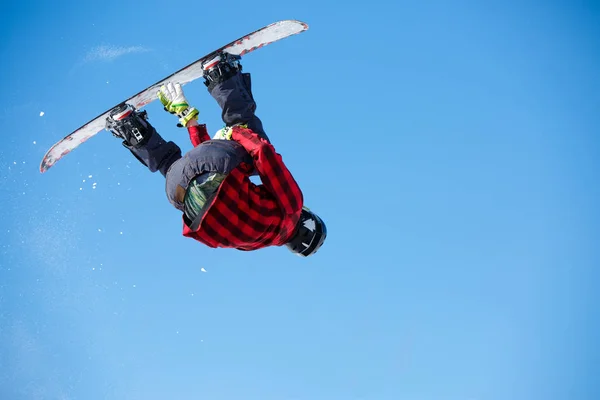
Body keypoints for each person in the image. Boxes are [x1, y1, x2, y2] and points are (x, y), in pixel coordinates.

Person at [105, 52, 326, 257]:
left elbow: (265, 156)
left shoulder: (292, 209)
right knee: (169, 164)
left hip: (215, 166)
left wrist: (237, 133)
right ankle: (128, 125)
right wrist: (187, 116)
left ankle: (220, 73)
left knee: (253, 144)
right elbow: (208, 177)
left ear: (308, 220)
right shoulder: (249, 245)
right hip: (176, 190)